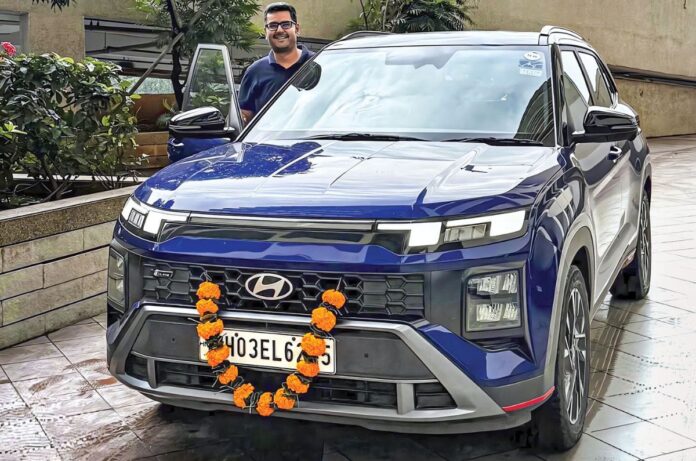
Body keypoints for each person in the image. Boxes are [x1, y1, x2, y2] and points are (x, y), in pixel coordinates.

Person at [239, 2, 314, 124]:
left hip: (314, 136)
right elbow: (244, 115)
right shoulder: (255, 71)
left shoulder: (317, 64)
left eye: (286, 24)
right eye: (273, 25)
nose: (279, 30)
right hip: (266, 136)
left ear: (297, 29)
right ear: (265, 32)